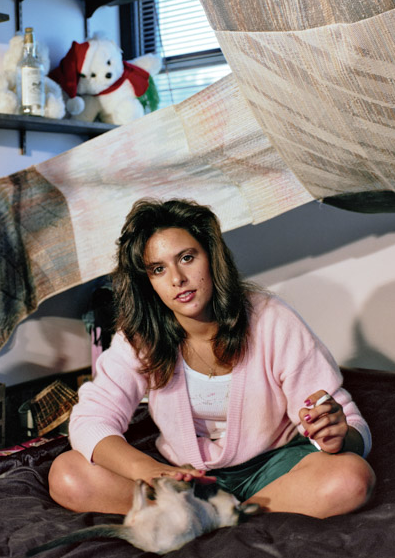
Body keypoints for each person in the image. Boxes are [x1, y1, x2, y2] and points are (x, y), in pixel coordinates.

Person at [48, 198, 375, 518]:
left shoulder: (271, 319)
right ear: (148, 283)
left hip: (278, 467)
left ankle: (217, 516)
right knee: (68, 474)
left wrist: (336, 436)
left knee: (351, 477)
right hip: (187, 478)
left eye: (187, 257)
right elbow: (91, 419)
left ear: (211, 257)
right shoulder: (141, 337)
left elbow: (352, 425)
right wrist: (149, 471)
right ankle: (221, 513)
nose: (177, 279)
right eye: (159, 269)